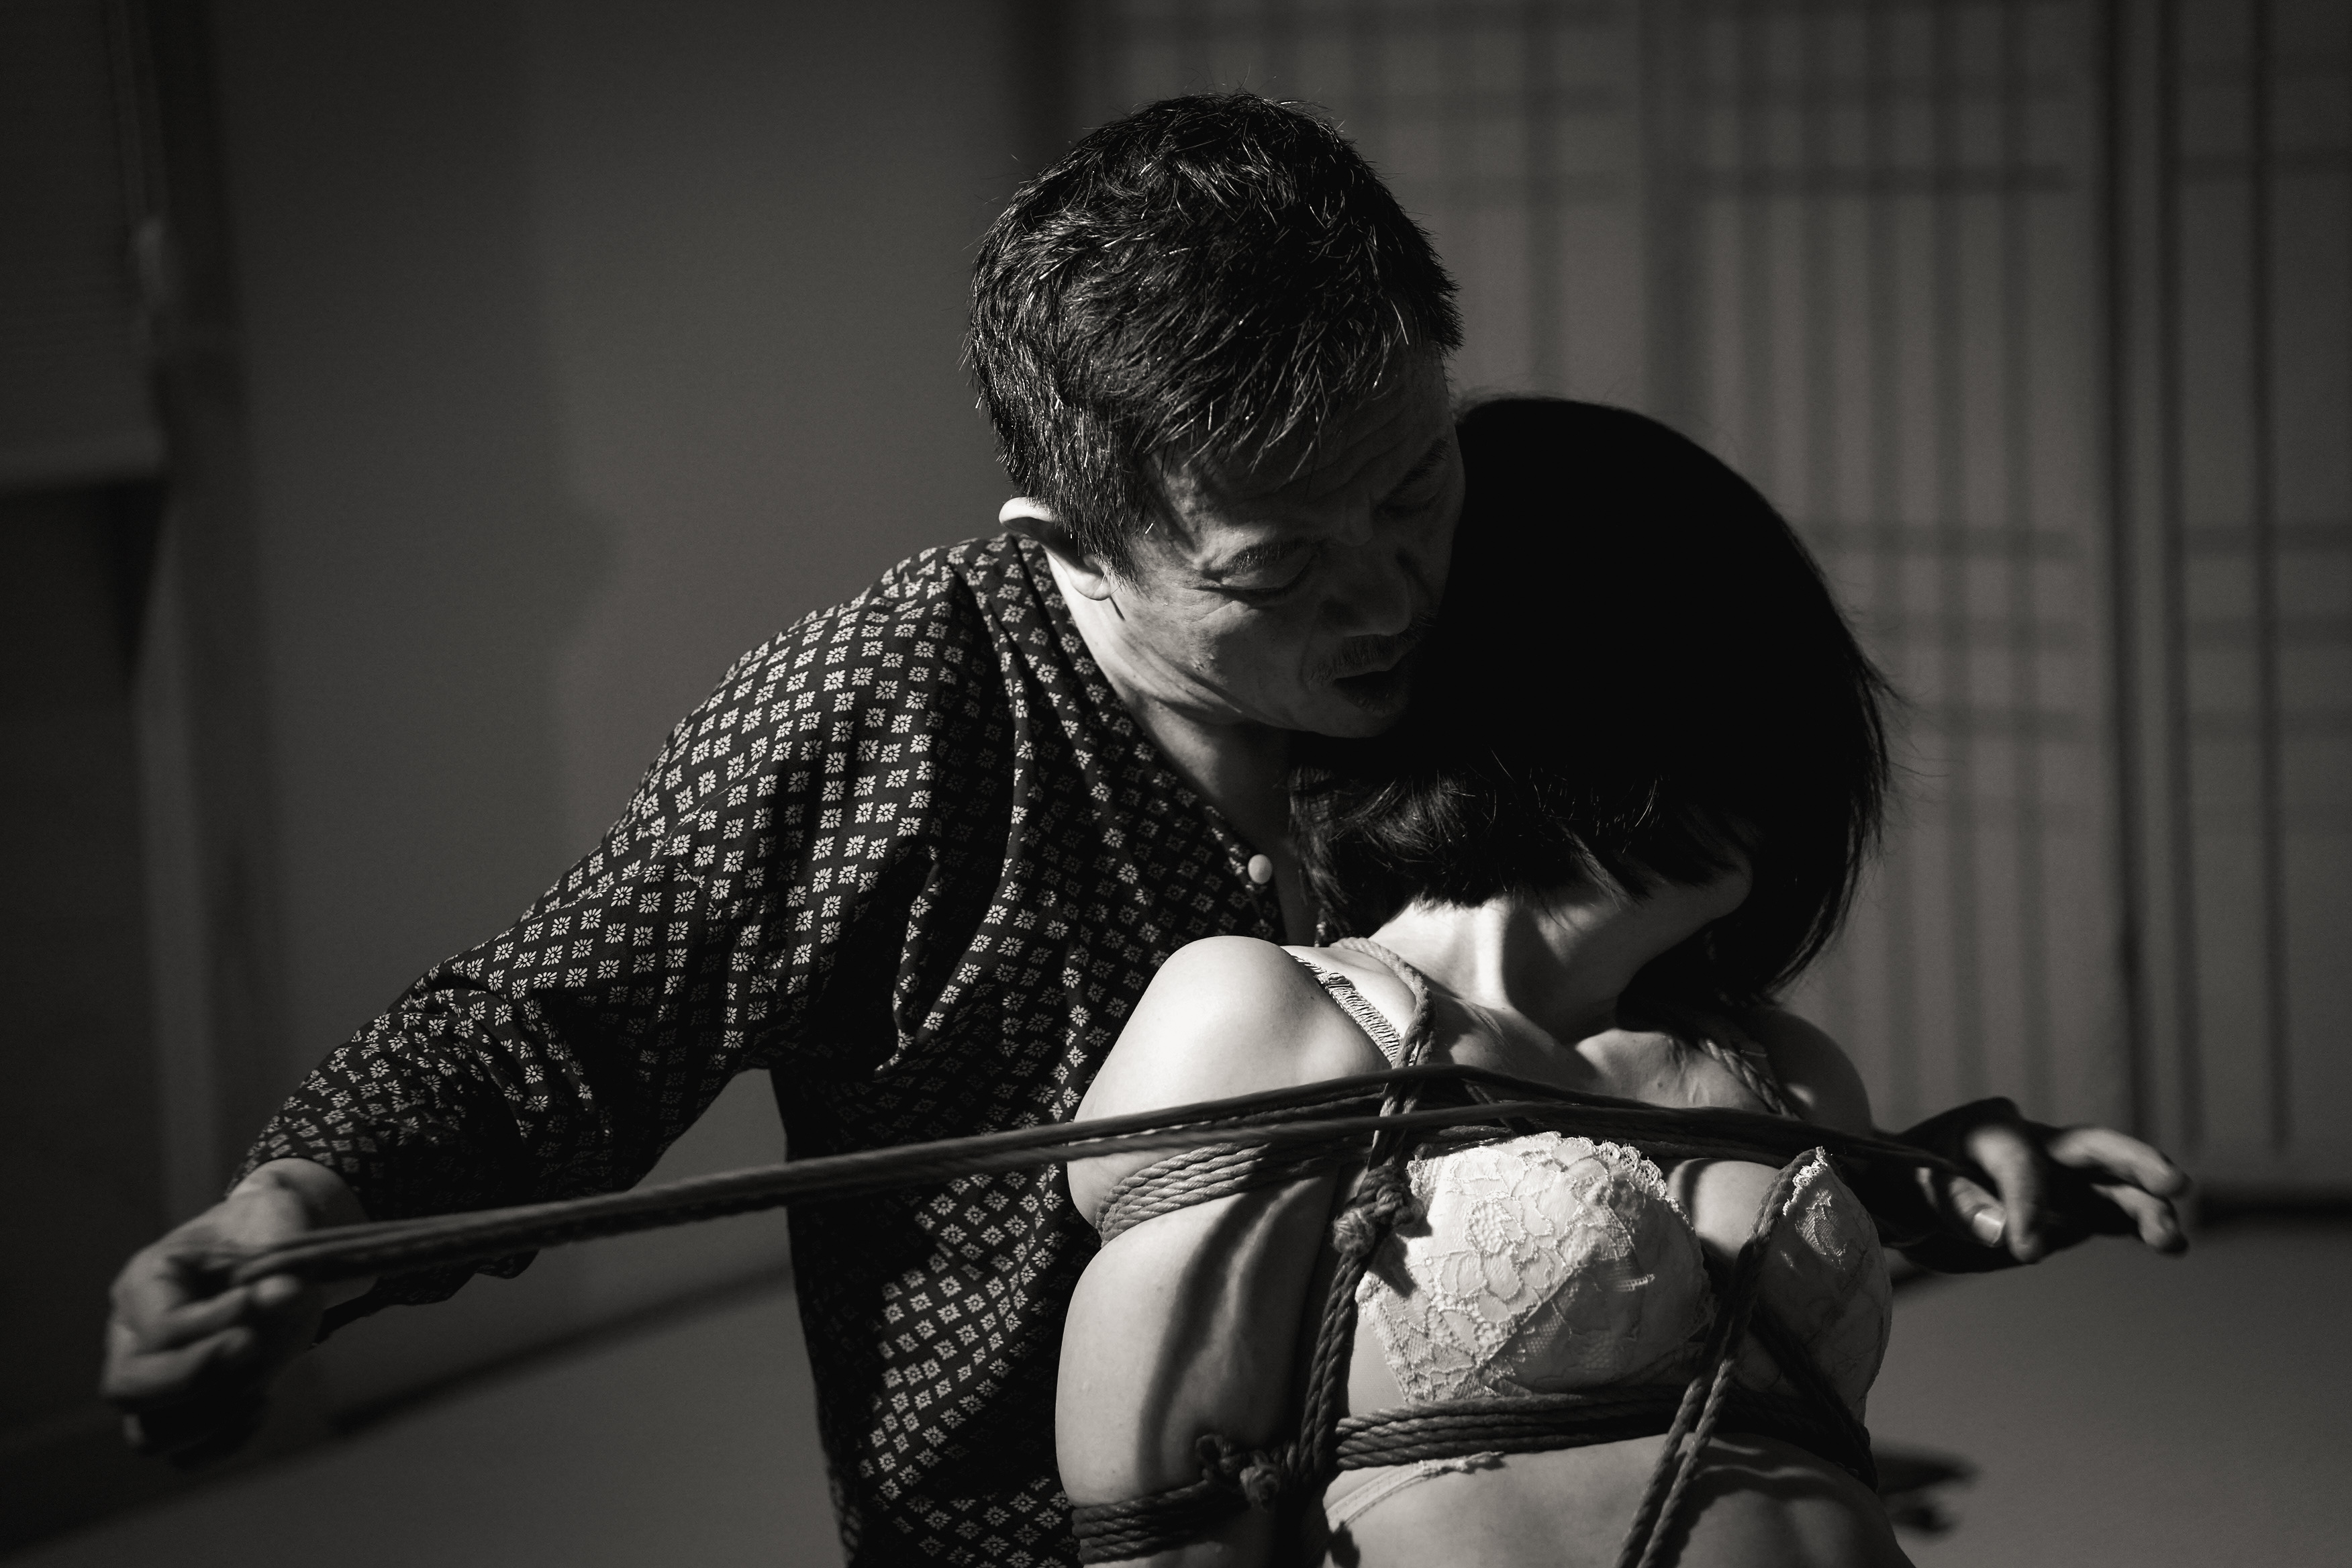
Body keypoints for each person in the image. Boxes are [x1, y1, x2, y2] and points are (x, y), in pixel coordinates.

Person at [100, 97, 2161, 1568]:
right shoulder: (899, 702)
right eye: (1284, 566)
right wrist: (312, 1202)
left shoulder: (1477, 618)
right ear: (1073, 540)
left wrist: (1900, 1178)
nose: (1390, 595)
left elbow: (1586, 1129)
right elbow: (576, 1013)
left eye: (1415, 488)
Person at [1056, 398, 2189, 1567]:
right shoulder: (1265, 1019)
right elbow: (1164, 1533)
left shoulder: (1784, 1071)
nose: (1784, 740)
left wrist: (1928, 1178)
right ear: (1563, 675)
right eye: (1726, 673)